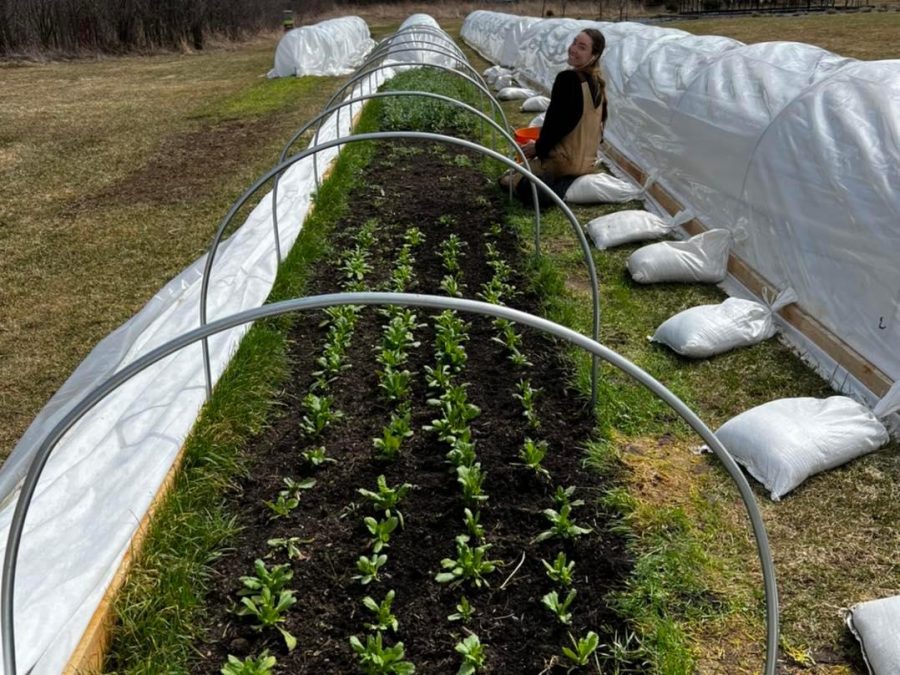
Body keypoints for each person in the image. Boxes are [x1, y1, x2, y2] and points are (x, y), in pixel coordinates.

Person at [504, 28, 608, 207]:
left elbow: (558, 123)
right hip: (587, 163)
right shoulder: (598, 84)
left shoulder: (568, 79)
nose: (573, 49)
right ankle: (561, 185)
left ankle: (550, 189)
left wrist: (538, 147)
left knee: (507, 179)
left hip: (563, 163)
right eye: (574, 42)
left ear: (594, 55)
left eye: (582, 47)